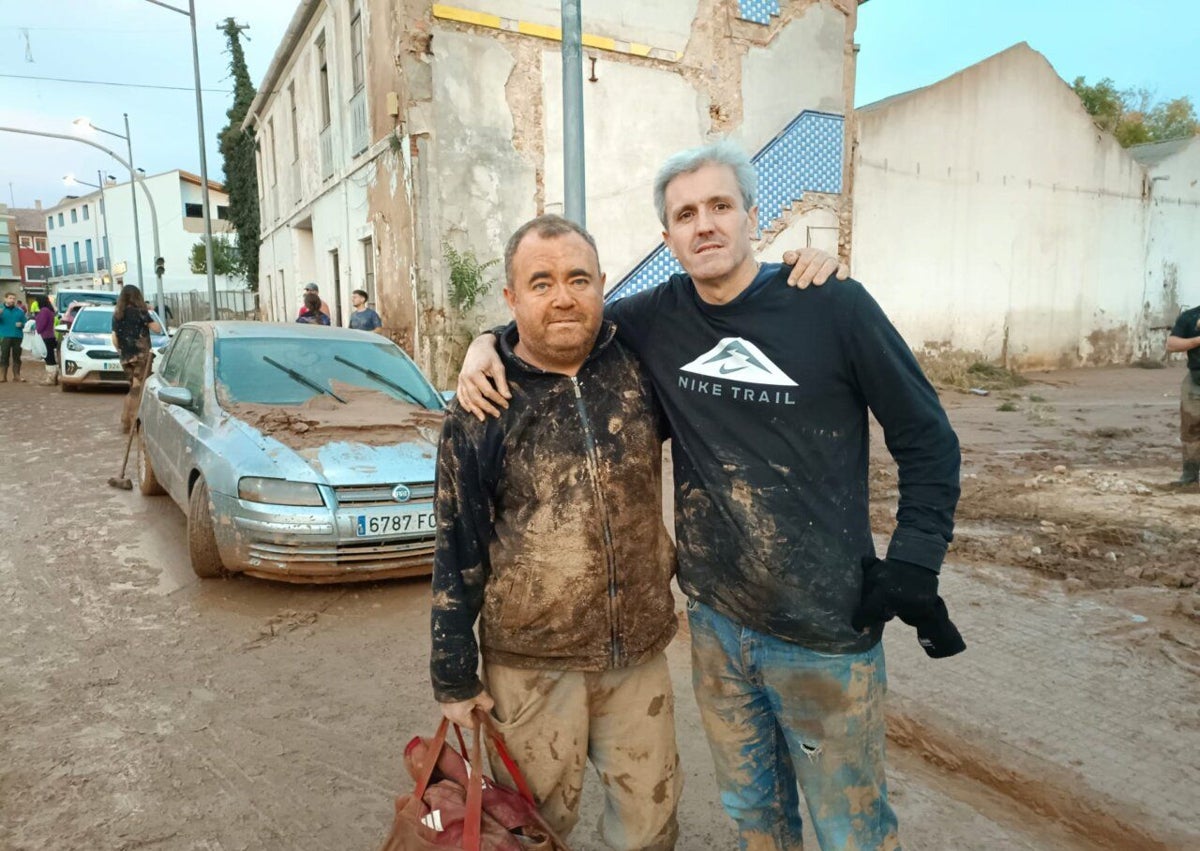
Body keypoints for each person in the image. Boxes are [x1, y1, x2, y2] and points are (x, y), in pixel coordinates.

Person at [456, 141, 964, 850]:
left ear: (753, 216)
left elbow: (928, 437)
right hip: (718, 628)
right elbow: (553, 316)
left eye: (720, 206)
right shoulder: (653, 320)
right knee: (754, 815)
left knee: (852, 828)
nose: (705, 225)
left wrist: (915, 559)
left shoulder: (832, 305)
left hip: (825, 629)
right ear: (667, 238)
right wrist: (485, 341)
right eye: (685, 214)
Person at [431, 215, 682, 850]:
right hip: (533, 666)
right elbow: (455, 542)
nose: (563, 296)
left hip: (639, 656)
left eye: (579, 279)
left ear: (602, 285)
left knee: (651, 824)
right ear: (512, 299)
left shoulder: (639, 365)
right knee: (535, 830)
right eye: (541, 283)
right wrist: (454, 675)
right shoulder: (482, 404)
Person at [111, 284, 163, 433]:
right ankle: (133, 422)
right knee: (137, 390)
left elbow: (114, 338)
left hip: (126, 357)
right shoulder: (141, 312)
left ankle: (126, 421)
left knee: (132, 388)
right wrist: (148, 313)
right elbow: (157, 329)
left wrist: (121, 350)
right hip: (141, 357)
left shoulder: (117, 314)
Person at [1166, 303, 1200, 485]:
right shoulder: (1190, 317)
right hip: (1196, 381)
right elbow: (1171, 344)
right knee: (1191, 429)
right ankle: (1190, 476)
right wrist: (1198, 340)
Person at [1, 292, 27, 383]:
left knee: (17, 356)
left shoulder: (19, 311)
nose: (12, 300)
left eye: (13, 298)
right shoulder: (1, 310)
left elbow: (26, 323)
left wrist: (22, 324)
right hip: (4, 336)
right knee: (4, 356)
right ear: (5, 299)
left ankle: (17, 375)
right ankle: (2, 376)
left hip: (18, 336)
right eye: (10, 298)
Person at [34, 296, 58, 385]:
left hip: (45, 337)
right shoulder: (49, 311)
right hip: (50, 336)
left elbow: (40, 326)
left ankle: (51, 379)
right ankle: (54, 377)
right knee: (50, 357)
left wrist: (36, 327)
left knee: (48, 358)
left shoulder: (44, 311)